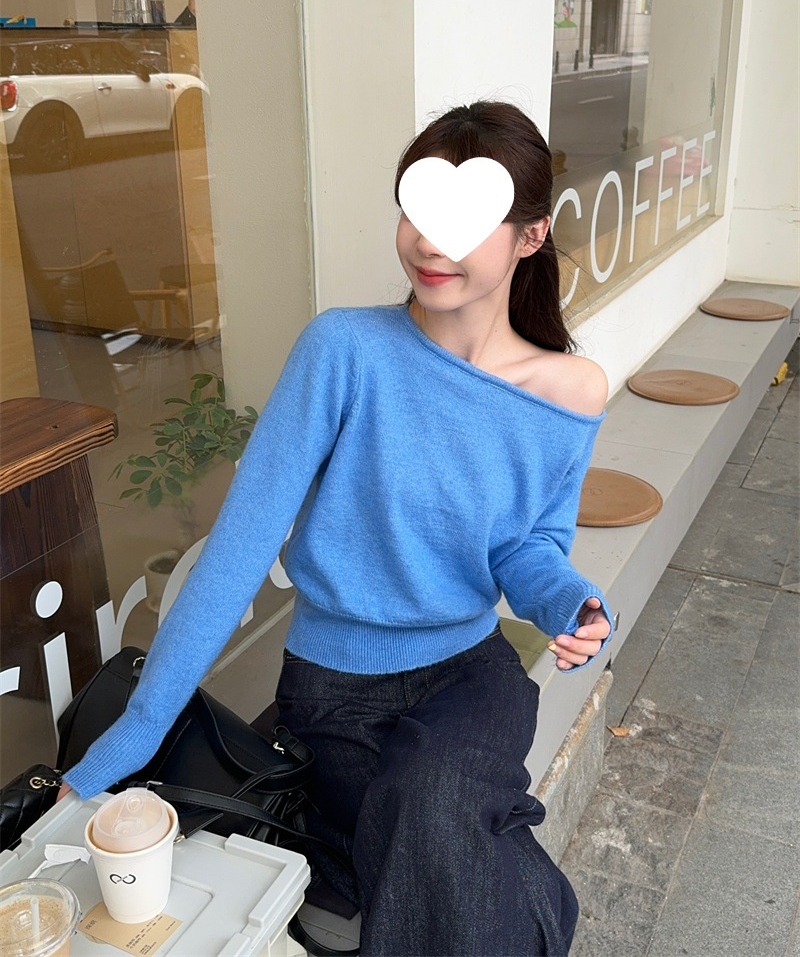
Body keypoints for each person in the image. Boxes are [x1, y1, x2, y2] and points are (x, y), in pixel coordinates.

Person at [60, 100, 613, 956]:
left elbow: (528, 544)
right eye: (417, 211)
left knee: (429, 811)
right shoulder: (344, 350)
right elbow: (239, 549)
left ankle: (344, 864)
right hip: (334, 690)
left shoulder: (570, 390)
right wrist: (133, 734)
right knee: (449, 849)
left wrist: (567, 600)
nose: (429, 244)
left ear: (530, 236)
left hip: (469, 675)